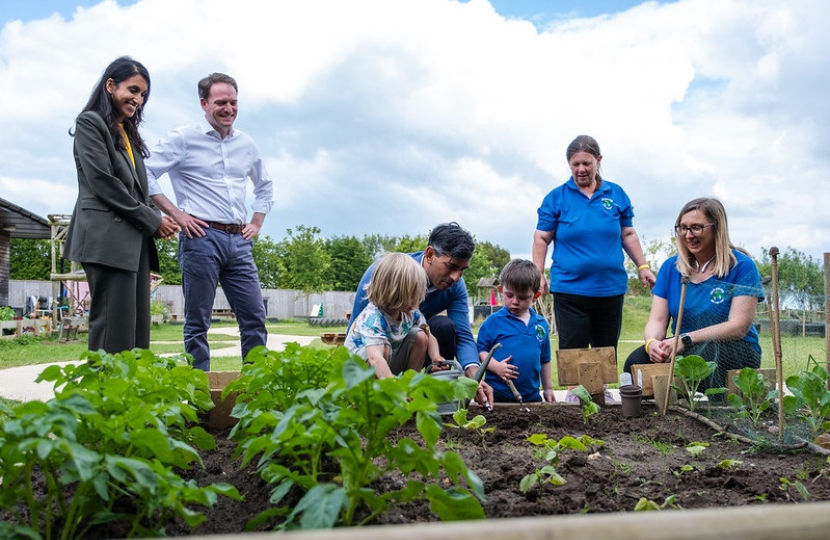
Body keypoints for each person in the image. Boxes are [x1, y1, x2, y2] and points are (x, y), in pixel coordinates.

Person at [146, 72, 274, 371]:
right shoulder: (183, 139)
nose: (228, 109)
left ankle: (257, 388)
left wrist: (256, 222)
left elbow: (264, 185)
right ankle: (198, 391)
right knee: (197, 321)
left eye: (233, 102)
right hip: (200, 238)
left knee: (254, 317)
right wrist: (176, 214)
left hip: (239, 241)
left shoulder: (246, 144)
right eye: (220, 103)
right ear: (204, 104)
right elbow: (145, 172)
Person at [63, 56, 179, 354]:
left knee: (136, 330)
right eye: (133, 90)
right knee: (112, 331)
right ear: (110, 86)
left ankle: (131, 397)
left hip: (133, 242)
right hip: (106, 241)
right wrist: (153, 219)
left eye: (143, 95)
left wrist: (154, 220)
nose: (138, 99)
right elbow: (103, 182)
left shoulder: (126, 133)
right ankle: (103, 398)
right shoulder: (90, 123)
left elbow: (137, 189)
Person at [532, 135, 655, 372]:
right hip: (570, 290)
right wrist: (538, 273)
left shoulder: (616, 194)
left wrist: (643, 266)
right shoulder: (556, 197)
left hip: (609, 289)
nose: (581, 169)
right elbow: (541, 237)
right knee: (572, 349)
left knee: (606, 349)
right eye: (575, 164)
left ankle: (602, 393)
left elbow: (628, 234)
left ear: (598, 160)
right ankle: (571, 398)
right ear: (569, 164)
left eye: (586, 163)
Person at [623, 198, 764, 391]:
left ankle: (710, 413)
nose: (688, 235)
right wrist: (653, 344)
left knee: (703, 358)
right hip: (683, 346)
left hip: (734, 348)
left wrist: (686, 339)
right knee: (636, 361)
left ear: (717, 228)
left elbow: (738, 326)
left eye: (696, 228)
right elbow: (657, 319)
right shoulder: (670, 268)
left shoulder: (742, 266)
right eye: (683, 228)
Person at [350, 222, 494, 407]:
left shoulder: (452, 288)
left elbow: (463, 335)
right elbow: (356, 330)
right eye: (451, 267)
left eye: (462, 270)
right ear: (430, 254)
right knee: (381, 350)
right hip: (372, 352)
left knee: (438, 328)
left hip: (403, 344)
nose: (456, 277)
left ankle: (419, 393)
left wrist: (474, 377)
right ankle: (378, 399)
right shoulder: (385, 274)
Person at [345, 253, 445, 378]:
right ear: (392, 291)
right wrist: (394, 389)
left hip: (385, 363)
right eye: (412, 295)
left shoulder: (410, 313)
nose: (416, 301)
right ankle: (381, 394)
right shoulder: (373, 319)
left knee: (421, 336)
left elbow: (429, 336)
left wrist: (435, 356)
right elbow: (375, 359)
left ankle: (410, 385)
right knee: (384, 348)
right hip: (357, 372)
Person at [478, 260, 554, 403]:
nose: (515, 301)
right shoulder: (493, 322)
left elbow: (545, 360)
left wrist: (548, 388)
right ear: (501, 291)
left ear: (535, 296)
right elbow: (482, 351)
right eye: (509, 295)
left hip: (532, 398)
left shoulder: (541, 324)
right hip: (498, 396)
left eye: (523, 297)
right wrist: (496, 367)